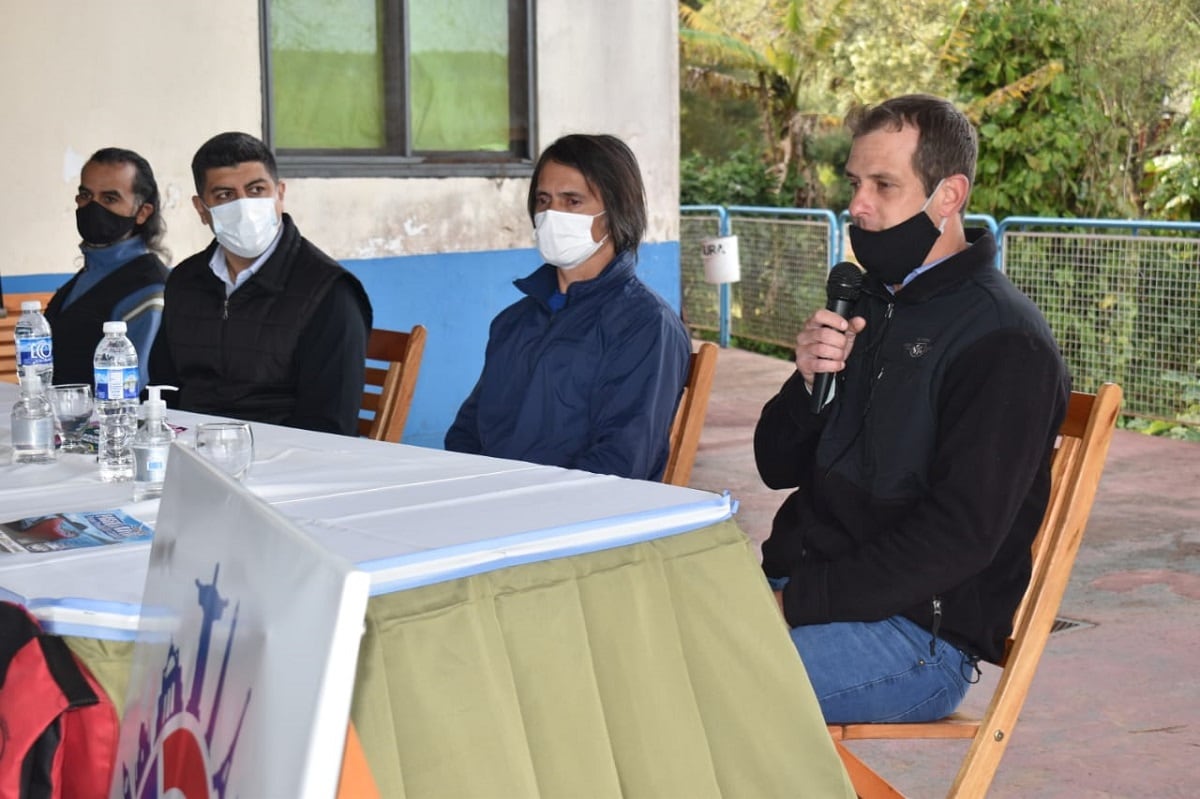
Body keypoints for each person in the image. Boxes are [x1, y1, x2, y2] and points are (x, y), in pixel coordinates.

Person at [754, 94, 1070, 724]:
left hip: (916, 638)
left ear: (948, 196)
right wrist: (806, 379)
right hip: (808, 588)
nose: (858, 206)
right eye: (854, 183)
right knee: (639, 647)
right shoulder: (867, 304)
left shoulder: (1004, 341)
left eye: (883, 185)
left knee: (690, 684)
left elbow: (957, 539)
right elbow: (774, 464)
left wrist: (794, 606)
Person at [445, 133, 691, 480]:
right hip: (494, 508)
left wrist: (522, 505)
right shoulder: (514, 322)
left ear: (616, 211)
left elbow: (621, 462)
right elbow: (467, 432)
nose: (551, 215)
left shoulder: (646, 326)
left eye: (572, 201)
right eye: (543, 200)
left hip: (579, 520)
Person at [149, 132, 372, 435]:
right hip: (189, 456)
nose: (244, 207)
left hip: (284, 463)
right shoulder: (185, 281)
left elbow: (330, 424)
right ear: (202, 210)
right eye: (225, 195)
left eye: (256, 190)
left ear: (279, 194)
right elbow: (164, 389)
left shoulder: (330, 293)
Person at [45, 148, 170, 391]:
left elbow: (131, 388)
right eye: (86, 195)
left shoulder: (148, 288)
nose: (94, 207)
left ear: (142, 212)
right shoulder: (87, 276)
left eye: (110, 199)